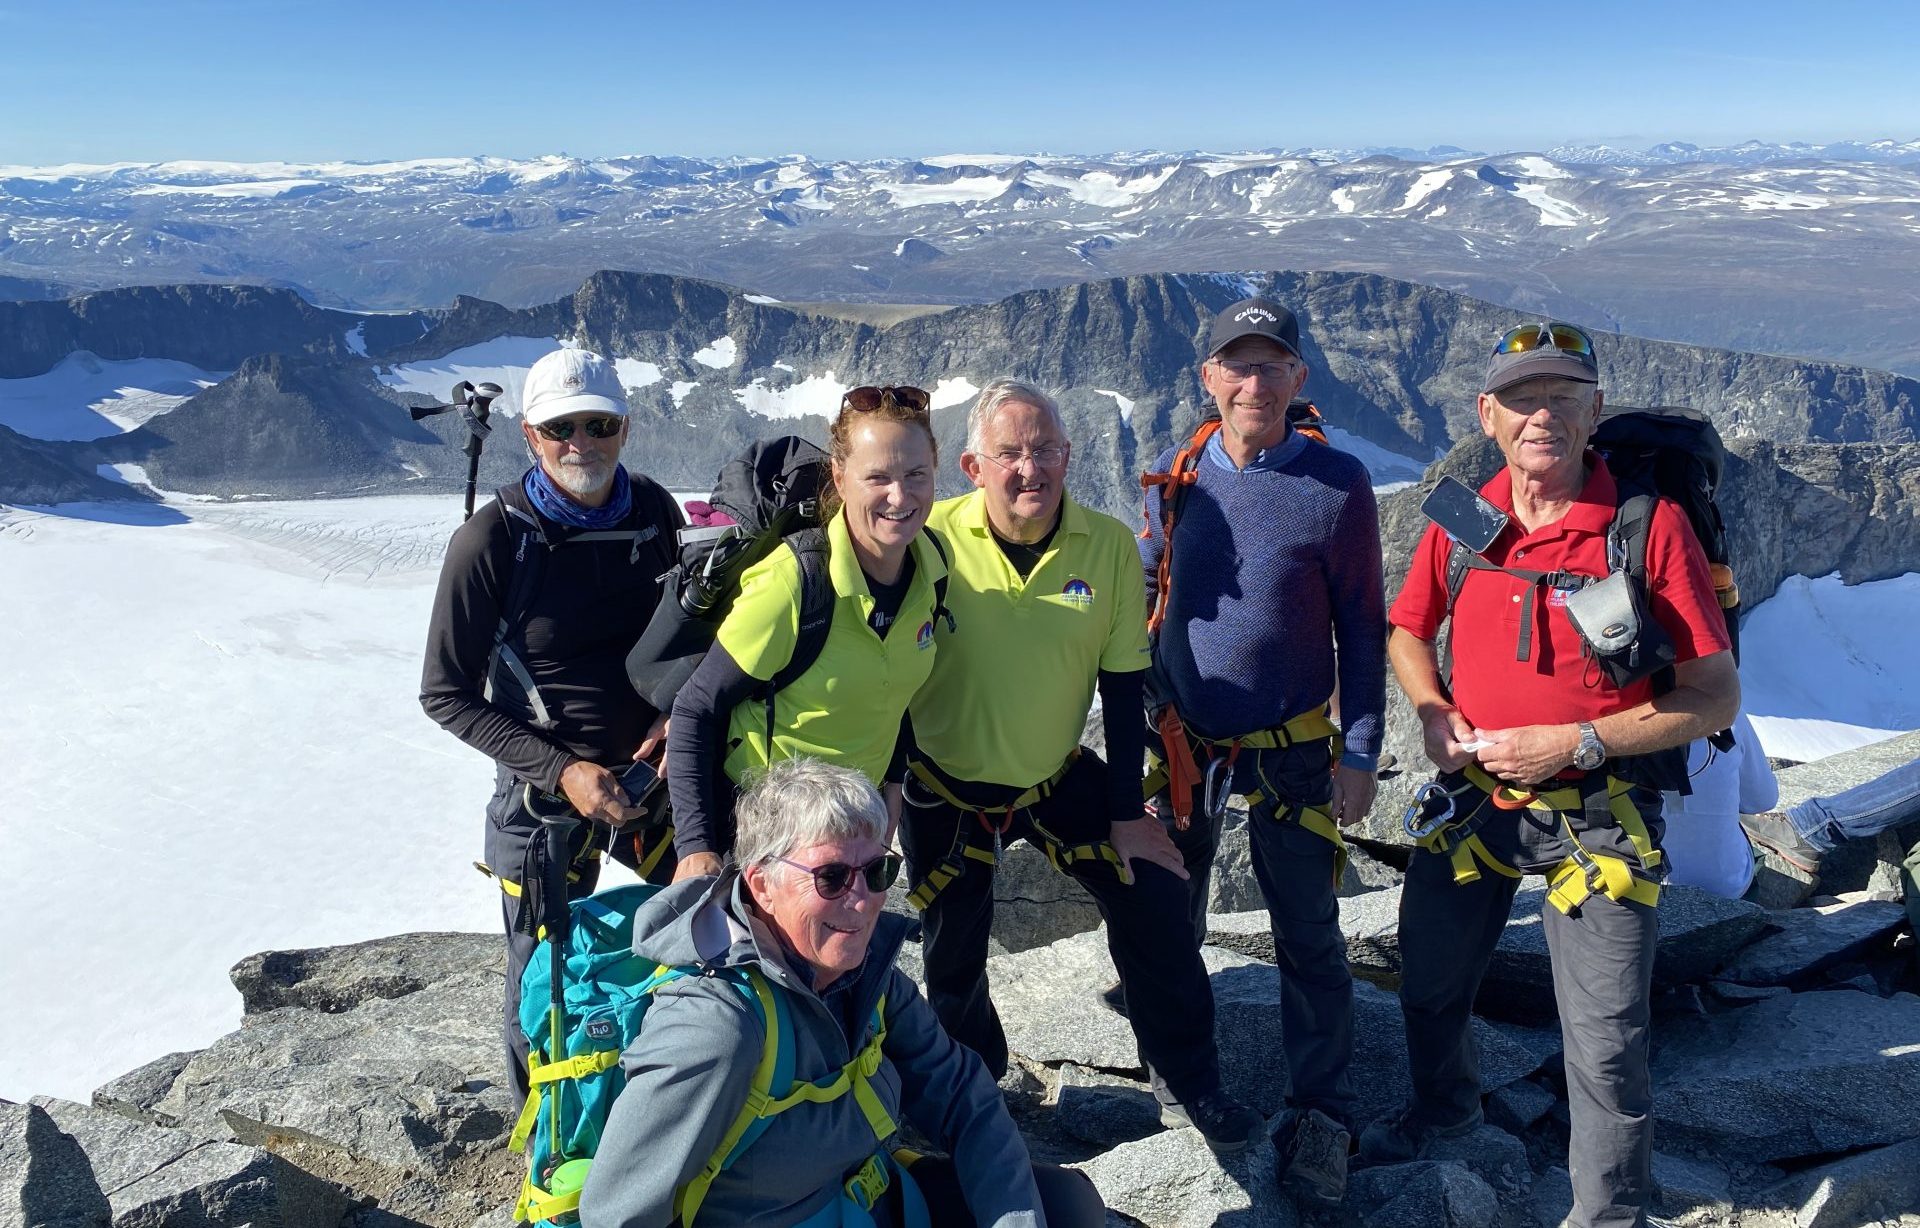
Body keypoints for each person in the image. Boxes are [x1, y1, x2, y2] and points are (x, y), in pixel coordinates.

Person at [1376, 320, 1740, 1228]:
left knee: (1607, 1036)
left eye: (1563, 398)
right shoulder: (1465, 515)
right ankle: (1446, 1121)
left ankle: (1610, 1212)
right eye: (1524, 398)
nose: (1543, 416)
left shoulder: (1644, 529)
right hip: (1475, 800)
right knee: (1429, 980)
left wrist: (1575, 744)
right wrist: (1430, 711)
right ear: (1487, 414)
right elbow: (1408, 629)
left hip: (1600, 810)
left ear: (1594, 413)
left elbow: (1714, 696)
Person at [900, 380, 1264, 1154]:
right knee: (952, 947)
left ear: (1069, 455)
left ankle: (1190, 1081)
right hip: (944, 784)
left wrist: (1129, 814)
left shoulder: (1105, 547)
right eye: (1011, 454)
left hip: (1052, 774)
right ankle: (975, 1086)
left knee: (1159, 894)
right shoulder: (929, 542)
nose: (1031, 469)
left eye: (1047, 450)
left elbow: (1123, 686)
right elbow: (892, 666)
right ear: (973, 464)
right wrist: (887, 781)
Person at [578, 757, 1106, 1228]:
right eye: (831, 878)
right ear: (761, 884)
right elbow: (615, 1214)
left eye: (877, 871)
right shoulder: (718, 1026)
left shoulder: (867, 977)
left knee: (1066, 1206)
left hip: (868, 1200)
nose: (862, 901)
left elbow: (965, 1097)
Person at [1137, 298, 1386, 1201]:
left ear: (1298, 379)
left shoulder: (1338, 484)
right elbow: (1150, 587)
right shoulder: (1180, 475)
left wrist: (1359, 749)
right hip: (1184, 742)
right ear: (1208, 377)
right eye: (1235, 366)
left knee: (1309, 933)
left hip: (1291, 748)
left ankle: (1323, 1114)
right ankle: (1181, 1085)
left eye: (1270, 364)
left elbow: (1362, 624)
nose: (1252, 382)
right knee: (1171, 918)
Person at [420, 346, 685, 1098]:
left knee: (707, 931)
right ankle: (541, 1131)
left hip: (649, 782)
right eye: (561, 428)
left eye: (598, 424)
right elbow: (445, 691)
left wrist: (673, 715)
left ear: (624, 430)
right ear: (531, 437)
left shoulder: (656, 513)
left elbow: (683, 640)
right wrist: (562, 770)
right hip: (544, 801)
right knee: (540, 978)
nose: (582, 443)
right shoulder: (493, 541)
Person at [666, 386, 948, 878]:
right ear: (840, 478)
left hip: (856, 830)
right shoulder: (793, 583)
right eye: (877, 477)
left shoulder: (933, 567)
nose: (900, 496)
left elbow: (892, 689)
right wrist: (696, 848)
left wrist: (895, 785)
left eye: (915, 475)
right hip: (769, 837)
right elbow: (696, 708)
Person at [1659, 712, 1777, 899]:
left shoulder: (1612, 725)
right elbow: (1762, 800)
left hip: (1636, 889)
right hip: (1727, 886)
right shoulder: (1726, 712)